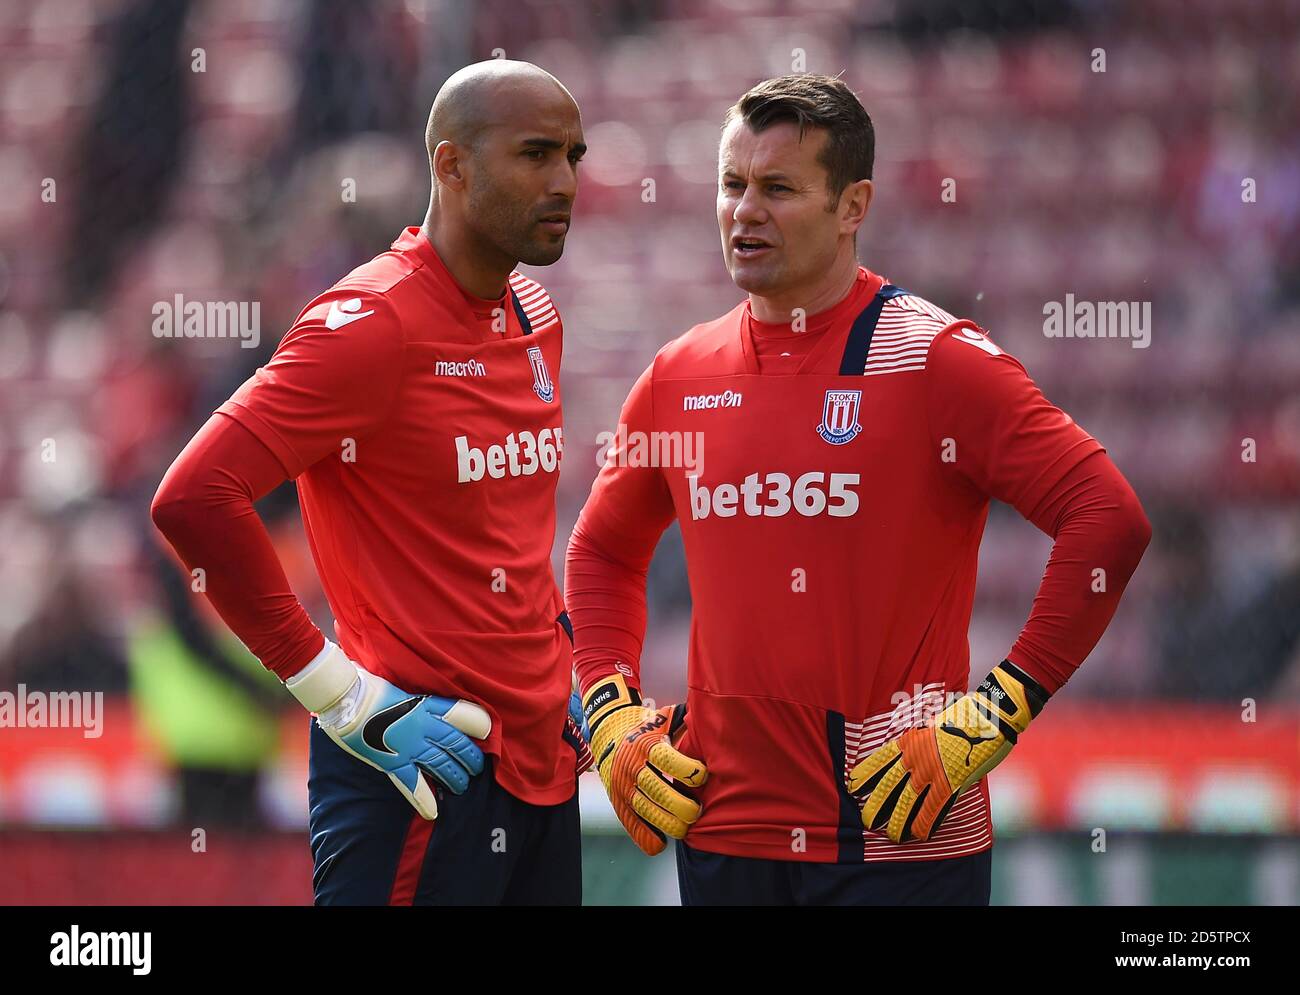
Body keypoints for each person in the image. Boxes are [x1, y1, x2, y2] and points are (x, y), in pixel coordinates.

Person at [565, 74, 1151, 906]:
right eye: (732, 185)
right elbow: (601, 551)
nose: (744, 211)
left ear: (853, 205)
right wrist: (611, 712)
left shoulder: (933, 359)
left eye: (778, 188)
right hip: (722, 828)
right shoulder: (679, 374)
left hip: (899, 830)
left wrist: (995, 714)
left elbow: (1108, 519)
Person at [152, 60, 591, 905]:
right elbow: (194, 497)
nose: (564, 180)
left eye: (573, 155)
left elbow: (506, 535)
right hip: (417, 767)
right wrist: (337, 694)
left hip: (543, 764)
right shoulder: (369, 325)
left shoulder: (537, 314)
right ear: (452, 165)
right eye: (536, 154)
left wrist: (560, 662)